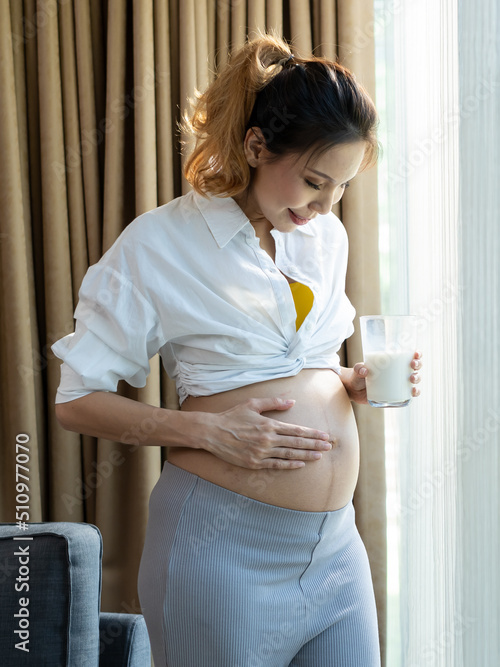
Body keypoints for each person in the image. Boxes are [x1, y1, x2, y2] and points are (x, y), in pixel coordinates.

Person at [50, 31, 419, 666]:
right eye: (312, 180)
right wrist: (208, 432)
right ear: (255, 145)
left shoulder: (322, 239)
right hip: (219, 550)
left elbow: (306, 363)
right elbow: (77, 402)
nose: (326, 205)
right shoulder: (160, 245)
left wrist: (348, 383)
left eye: (341, 188)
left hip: (335, 550)